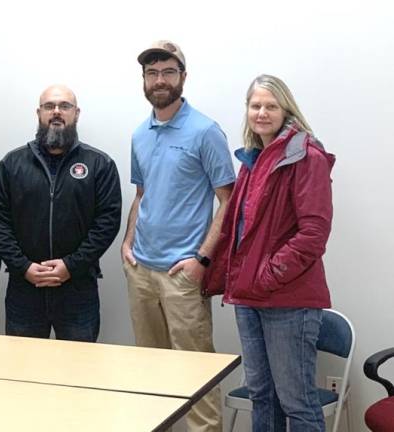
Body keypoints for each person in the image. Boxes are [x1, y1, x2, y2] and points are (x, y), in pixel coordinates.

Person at [204, 74, 335, 431]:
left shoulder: (306, 156)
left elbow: (313, 235)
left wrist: (265, 276)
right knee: (262, 395)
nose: (262, 112)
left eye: (270, 106)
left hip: (287, 300)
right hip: (248, 298)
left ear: (285, 109)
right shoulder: (253, 160)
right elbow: (240, 230)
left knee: (298, 402)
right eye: (255, 105)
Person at [120, 40, 235, 432]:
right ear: (144, 81)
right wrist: (127, 242)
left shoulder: (205, 131)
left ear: (183, 77)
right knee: (151, 376)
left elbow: (228, 203)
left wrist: (201, 259)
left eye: (168, 72)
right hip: (141, 272)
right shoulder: (140, 133)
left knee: (195, 375)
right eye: (152, 73)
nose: (160, 80)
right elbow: (142, 194)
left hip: (181, 275)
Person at [0, 84, 121, 342]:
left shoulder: (99, 164)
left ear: (77, 113)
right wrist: (23, 266)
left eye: (65, 106)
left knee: (77, 371)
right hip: (24, 288)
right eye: (49, 106)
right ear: (39, 113)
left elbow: (107, 222)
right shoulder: (12, 163)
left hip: (77, 288)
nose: (57, 112)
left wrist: (71, 265)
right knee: (24, 369)